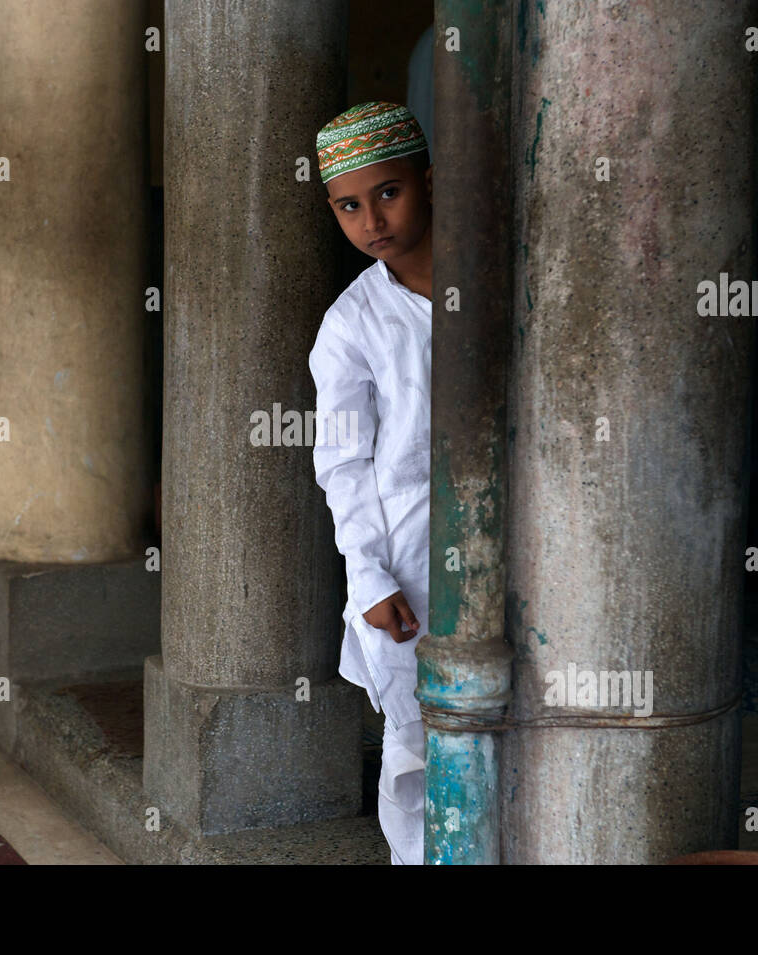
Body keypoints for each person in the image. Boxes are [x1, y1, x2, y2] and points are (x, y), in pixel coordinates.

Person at [309, 101, 433, 865]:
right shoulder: (351, 324)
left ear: (429, 179)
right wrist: (370, 575)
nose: (371, 221)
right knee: (415, 752)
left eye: (388, 192)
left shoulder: (495, 283)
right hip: (404, 568)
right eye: (349, 205)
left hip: (518, 549)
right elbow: (343, 465)